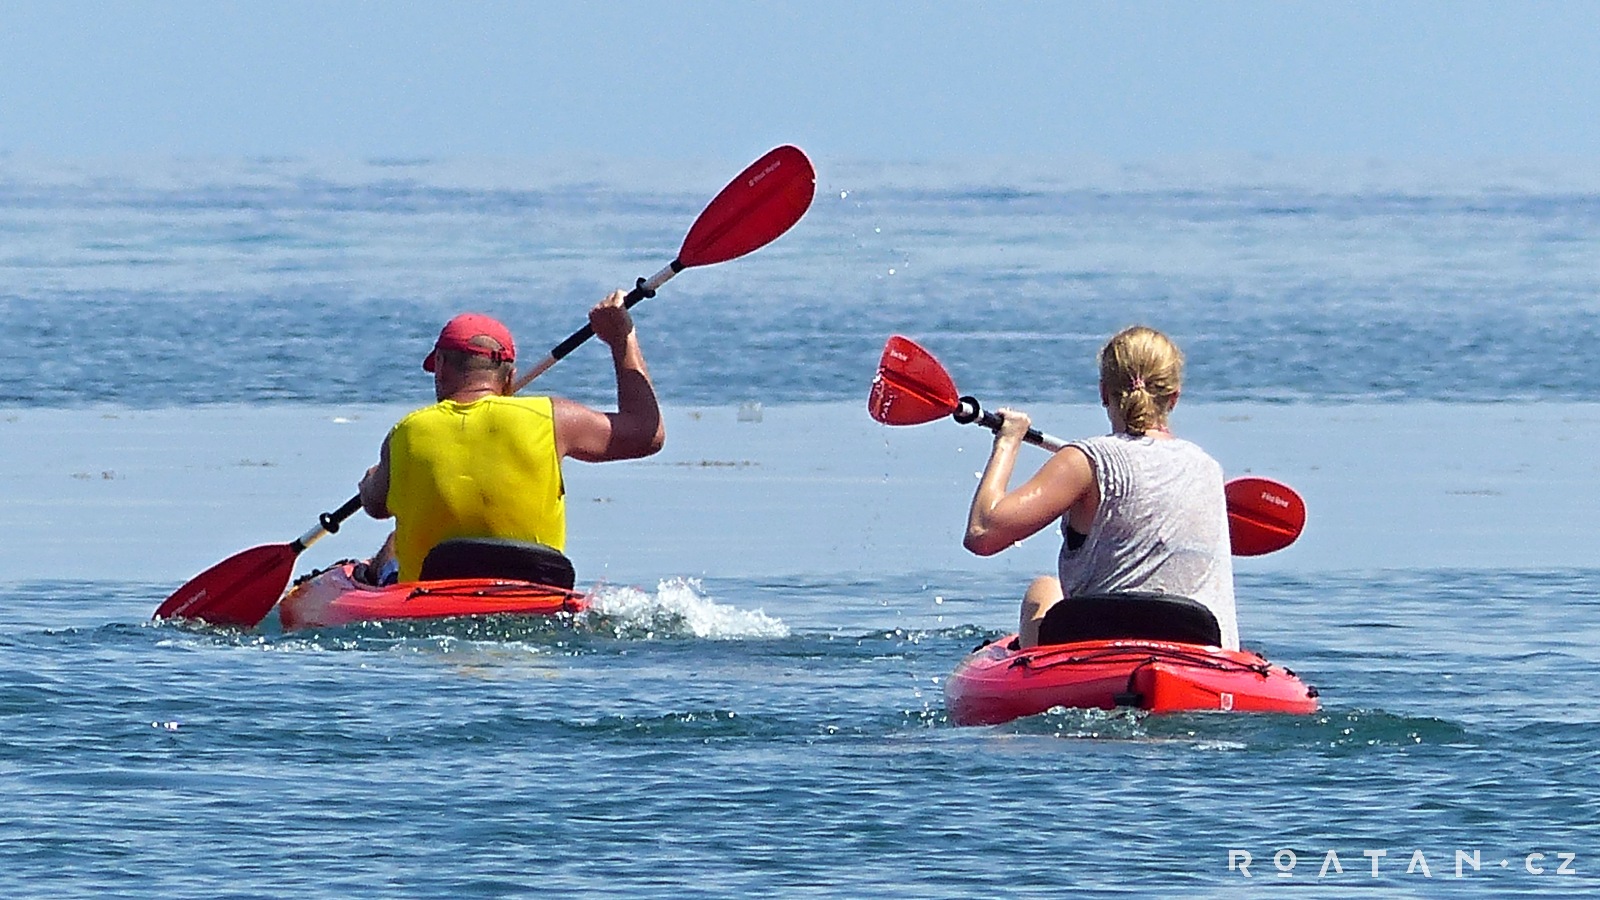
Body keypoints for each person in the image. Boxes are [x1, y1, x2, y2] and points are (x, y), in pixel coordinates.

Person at [356, 289, 665, 584]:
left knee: (393, 546)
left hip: (432, 596)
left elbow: (375, 505)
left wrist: (371, 479)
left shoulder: (407, 432)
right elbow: (647, 433)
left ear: (441, 366)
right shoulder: (553, 418)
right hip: (537, 590)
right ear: (511, 377)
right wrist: (621, 338)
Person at [961, 325, 1238, 650]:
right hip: (1200, 655)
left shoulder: (1083, 462)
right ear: (1174, 398)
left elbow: (982, 533)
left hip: (1096, 654)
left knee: (1044, 590)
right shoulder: (1207, 468)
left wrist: (1008, 440)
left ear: (1104, 392)